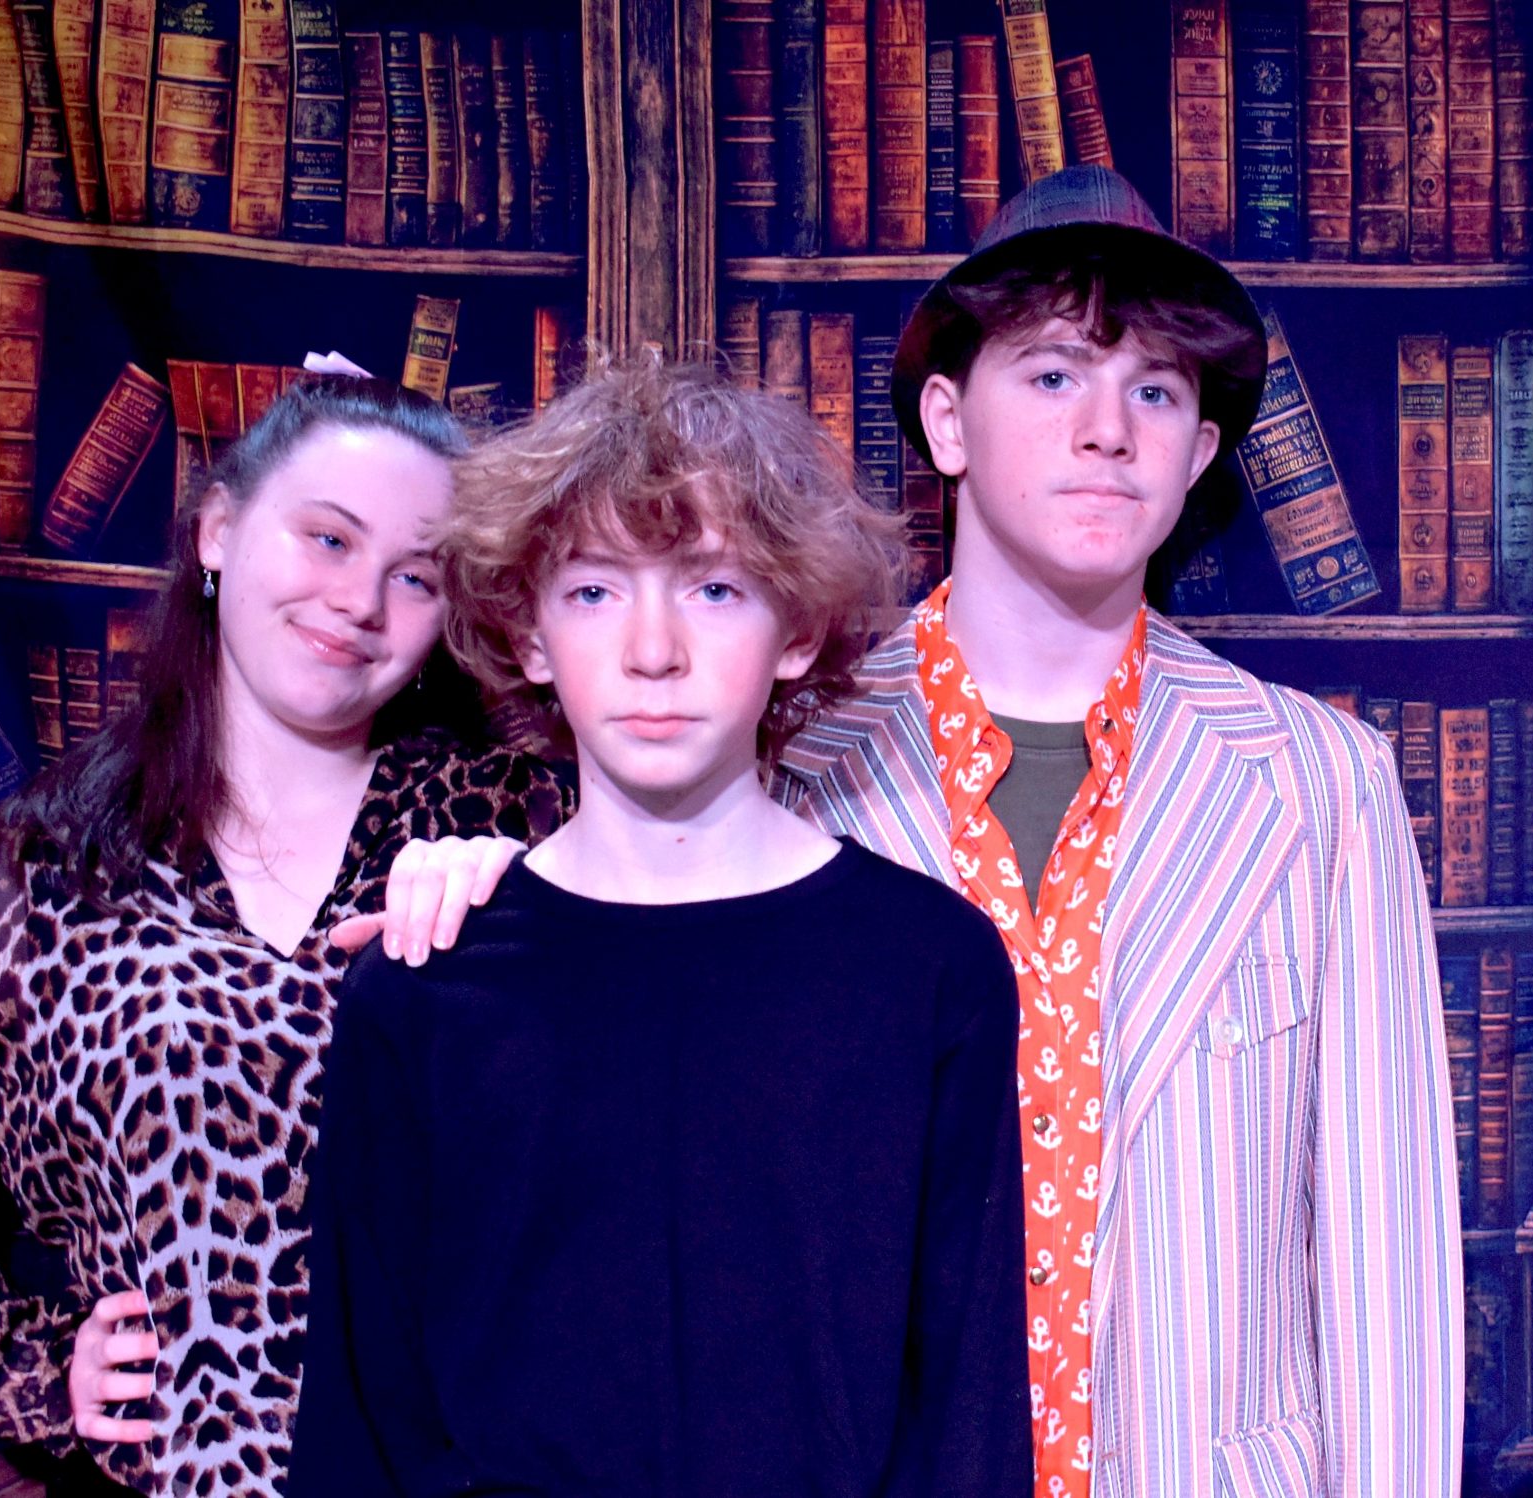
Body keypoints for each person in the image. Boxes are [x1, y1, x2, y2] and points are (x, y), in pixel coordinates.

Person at [352, 165, 1463, 1497]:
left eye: (1158, 393)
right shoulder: (770, 744)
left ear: (1202, 453)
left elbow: (1389, 1268)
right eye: (1052, 374)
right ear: (945, 419)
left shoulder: (1322, 787)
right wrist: (483, 882)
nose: (1107, 430)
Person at [285, 355, 1030, 1496]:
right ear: (529, 636)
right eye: (593, 592)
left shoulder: (928, 970)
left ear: (796, 630)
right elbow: (358, 1424)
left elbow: (965, 1421)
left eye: (713, 589)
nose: (652, 652)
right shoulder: (425, 985)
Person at [0, 376, 566, 1496]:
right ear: (218, 530)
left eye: (416, 576)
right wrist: (18, 1369)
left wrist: (546, 908)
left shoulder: (521, 828)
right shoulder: (39, 873)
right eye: (328, 538)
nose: (360, 600)